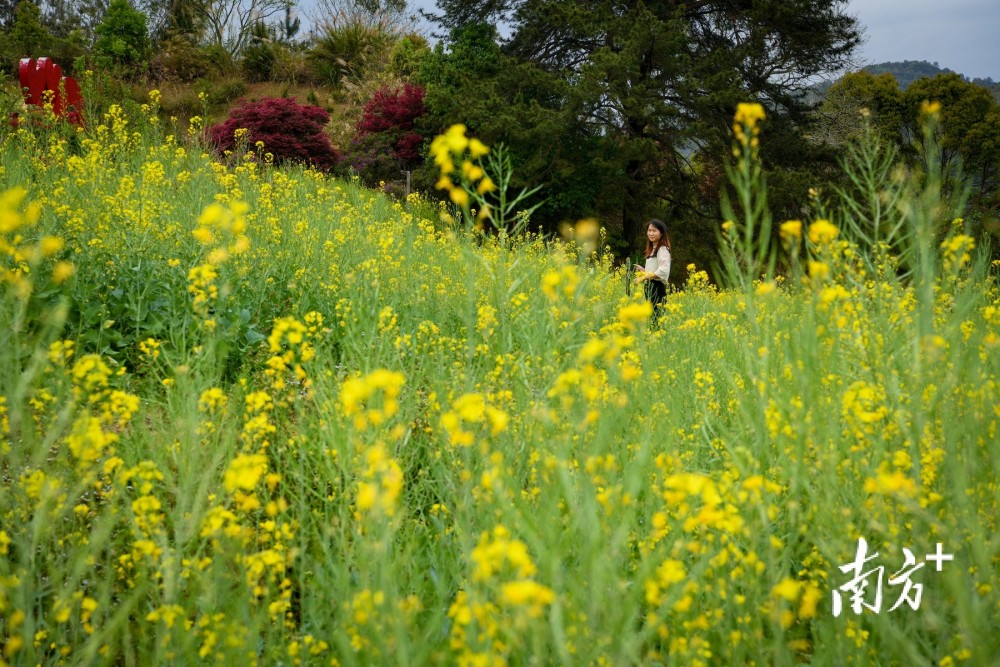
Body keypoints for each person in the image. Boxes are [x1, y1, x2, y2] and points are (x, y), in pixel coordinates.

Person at [633, 219, 671, 320]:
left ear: (661, 233)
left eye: (654, 231)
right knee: (652, 319)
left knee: (656, 319)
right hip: (651, 287)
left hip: (657, 288)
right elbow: (655, 270)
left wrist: (643, 278)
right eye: (649, 230)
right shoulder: (654, 248)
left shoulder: (662, 249)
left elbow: (663, 271)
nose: (651, 233)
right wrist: (644, 270)